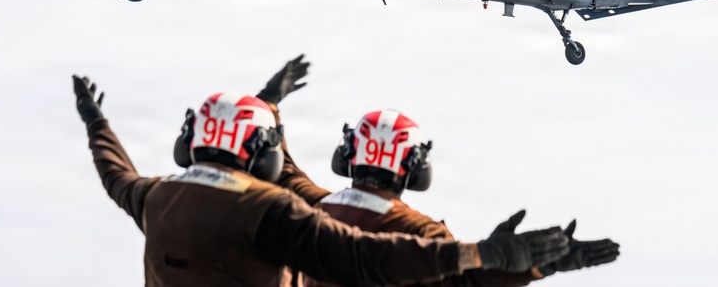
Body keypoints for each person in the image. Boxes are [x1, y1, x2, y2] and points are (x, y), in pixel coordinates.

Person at [72, 74, 572, 286]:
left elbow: (116, 175)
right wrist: (484, 255)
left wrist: (97, 122)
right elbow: (364, 257)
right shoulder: (270, 210)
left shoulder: (158, 196)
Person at [256, 56, 621, 287]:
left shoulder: (310, 206)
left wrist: (267, 104)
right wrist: (533, 265)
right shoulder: (421, 232)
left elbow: (283, 169)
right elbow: (465, 280)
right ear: (415, 168)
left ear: (348, 154)